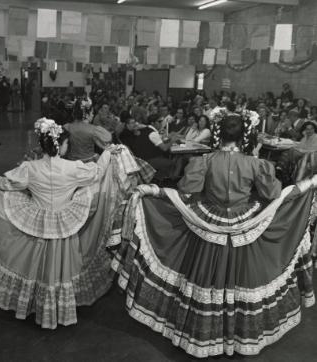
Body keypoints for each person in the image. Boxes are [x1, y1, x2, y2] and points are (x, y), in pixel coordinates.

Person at [112, 114, 315, 358]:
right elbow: (272, 192)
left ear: (219, 134)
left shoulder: (205, 160)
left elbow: (187, 190)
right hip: (244, 224)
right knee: (243, 277)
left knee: (205, 276)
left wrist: (158, 191)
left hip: (208, 221)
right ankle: (239, 334)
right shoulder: (255, 163)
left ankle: (202, 335)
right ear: (245, 136)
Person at [0, 118, 153, 329]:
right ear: (61, 146)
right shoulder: (72, 167)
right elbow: (98, 173)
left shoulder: (30, 167)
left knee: (38, 262)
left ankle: (38, 303)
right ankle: (58, 306)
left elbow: (3, 183)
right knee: (64, 263)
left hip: (39, 218)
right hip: (65, 221)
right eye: (66, 144)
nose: (68, 147)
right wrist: (109, 153)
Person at [119, 114, 178, 180]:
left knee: (168, 157)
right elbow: (164, 148)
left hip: (141, 159)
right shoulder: (151, 133)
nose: (161, 123)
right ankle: (167, 180)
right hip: (148, 160)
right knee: (173, 163)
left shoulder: (141, 131)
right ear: (153, 123)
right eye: (159, 121)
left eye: (162, 121)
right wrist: (172, 140)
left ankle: (162, 178)